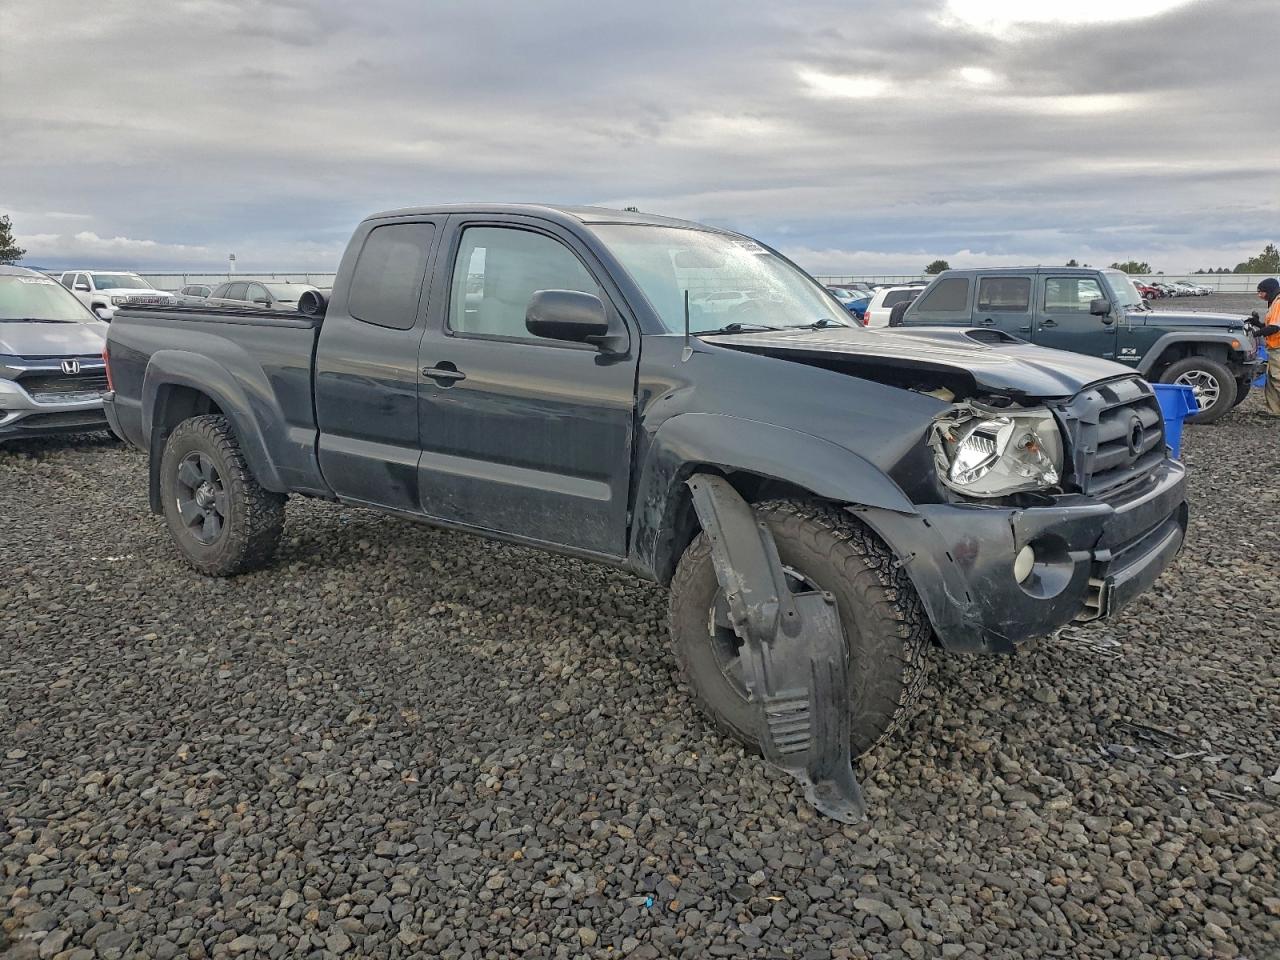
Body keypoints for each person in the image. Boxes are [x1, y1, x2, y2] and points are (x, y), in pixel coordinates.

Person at [1247, 278, 1280, 417]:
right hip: (1274, 347)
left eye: (1261, 292)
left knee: (1278, 380)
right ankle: (1274, 411)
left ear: (1269, 290)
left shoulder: (1278, 303)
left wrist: (1257, 333)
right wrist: (1258, 324)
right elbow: (1270, 326)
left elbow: (1274, 328)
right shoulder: (1273, 303)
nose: (1259, 295)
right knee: (1272, 381)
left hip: (1278, 348)